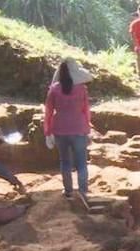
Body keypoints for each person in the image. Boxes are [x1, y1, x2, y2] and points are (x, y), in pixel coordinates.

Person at [45, 57, 92, 201]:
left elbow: (48, 112)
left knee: (65, 162)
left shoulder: (54, 89)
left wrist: (48, 132)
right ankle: (83, 192)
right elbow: (86, 111)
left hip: (59, 130)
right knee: (81, 163)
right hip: (79, 129)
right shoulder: (82, 89)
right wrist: (87, 129)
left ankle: (68, 192)